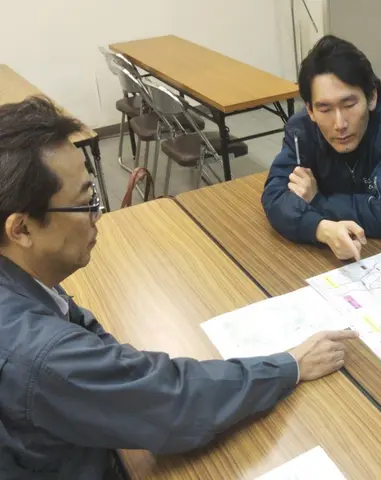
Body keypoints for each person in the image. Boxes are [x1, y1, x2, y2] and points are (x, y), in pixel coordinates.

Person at [0, 96, 358, 479]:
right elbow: (173, 405)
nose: (98, 214)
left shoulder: (22, 282)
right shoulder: (40, 355)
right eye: (86, 201)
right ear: (21, 229)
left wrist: (115, 373)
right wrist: (290, 365)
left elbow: (75, 324)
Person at [262, 35, 381, 261]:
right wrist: (320, 228)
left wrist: (317, 201)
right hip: (338, 240)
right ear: (310, 110)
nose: (340, 124)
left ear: (372, 97)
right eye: (325, 110)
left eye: (349, 105)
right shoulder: (302, 128)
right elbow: (275, 195)